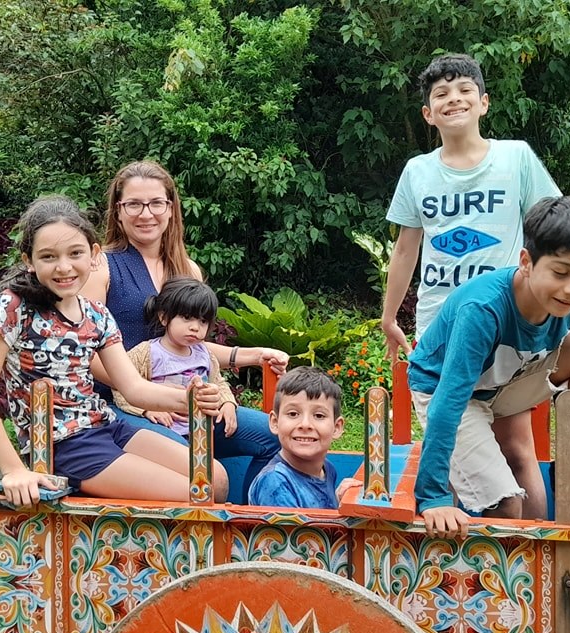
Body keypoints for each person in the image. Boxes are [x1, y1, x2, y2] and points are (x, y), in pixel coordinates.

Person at [378, 53, 570, 512]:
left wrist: (554, 283)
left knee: (518, 447)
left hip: (511, 319)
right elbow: (406, 249)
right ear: (428, 113)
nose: (454, 99)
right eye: (441, 94)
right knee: (457, 420)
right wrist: (390, 317)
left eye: (464, 90)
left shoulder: (514, 158)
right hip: (447, 318)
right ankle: (454, 524)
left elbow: (557, 230)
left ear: (484, 102)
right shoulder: (418, 171)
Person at [0, 195, 230, 507]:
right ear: (29, 261)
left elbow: (134, 387)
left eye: (75, 253)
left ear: (93, 254)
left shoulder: (96, 314)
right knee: (197, 492)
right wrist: (13, 470)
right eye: (48, 257)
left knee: (215, 478)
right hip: (63, 444)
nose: (64, 267)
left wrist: (190, 398)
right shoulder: (14, 307)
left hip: (106, 426)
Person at [410, 196, 570, 537]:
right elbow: (449, 400)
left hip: (507, 380)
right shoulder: (483, 309)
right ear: (526, 262)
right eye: (560, 272)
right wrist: (433, 495)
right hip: (448, 390)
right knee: (507, 502)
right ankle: (490, 570)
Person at [81, 160, 281, 503]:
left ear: (171, 208)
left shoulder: (188, 270)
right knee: (197, 469)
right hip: (126, 405)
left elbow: (190, 345)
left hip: (189, 400)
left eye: (156, 203)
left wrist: (253, 356)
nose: (146, 214)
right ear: (118, 211)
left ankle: (251, 518)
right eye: (134, 204)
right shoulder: (101, 267)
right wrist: (147, 396)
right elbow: (87, 355)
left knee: (275, 436)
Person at [113, 277, 239, 437]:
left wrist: (228, 403)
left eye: (203, 321)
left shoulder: (204, 353)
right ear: (164, 317)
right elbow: (120, 388)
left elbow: (217, 382)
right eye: (187, 317)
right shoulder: (146, 352)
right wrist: (146, 409)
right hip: (163, 430)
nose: (195, 327)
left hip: (201, 432)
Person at [248, 367, 361, 509]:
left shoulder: (327, 469)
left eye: (319, 415)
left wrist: (338, 502)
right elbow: (292, 525)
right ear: (275, 422)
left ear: (336, 427)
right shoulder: (276, 482)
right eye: (293, 414)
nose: (305, 424)